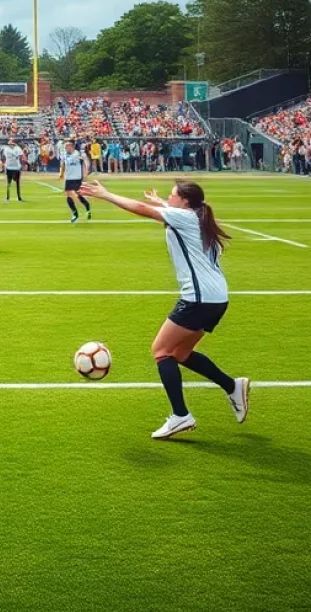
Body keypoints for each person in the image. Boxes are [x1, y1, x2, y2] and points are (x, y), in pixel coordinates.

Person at [79, 179, 250, 440]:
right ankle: (232, 386)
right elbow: (170, 214)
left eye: (172, 196)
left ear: (184, 202)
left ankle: (181, 415)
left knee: (161, 351)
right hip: (216, 298)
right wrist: (160, 202)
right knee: (180, 352)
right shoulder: (197, 219)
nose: (169, 199)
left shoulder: (184, 217)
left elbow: (138, 208)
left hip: (198, 298)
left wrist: (106, 194)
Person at [60, 140, 91, 223]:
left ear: (72, 146)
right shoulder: (64, 154)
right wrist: (61, 173)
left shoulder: (78, 154)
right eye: (65, 146)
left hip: (77, 177)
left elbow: (85, 162)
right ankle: (75, 213)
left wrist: (86, 172)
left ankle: (87, 206)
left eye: (68, 146)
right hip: (68, 178)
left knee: (78, 194)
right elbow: (63, 164)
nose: (66, 148)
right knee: (68, 196)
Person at [1, 137, 24, 202]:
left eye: (11, 143)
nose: (10, 144)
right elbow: (3, 157)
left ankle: (19, 197)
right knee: (9, 183)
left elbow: (21, 157)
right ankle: (8, 197)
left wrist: (21, 165)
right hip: (9, 167)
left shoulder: (17, 149)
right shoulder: (7, 149)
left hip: (16, 167)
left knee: (17, 183)